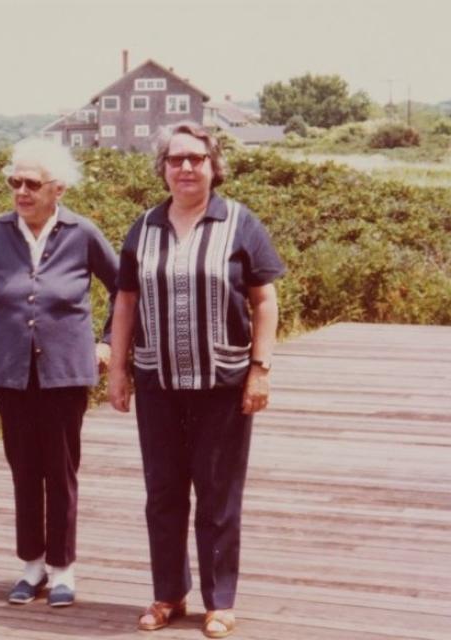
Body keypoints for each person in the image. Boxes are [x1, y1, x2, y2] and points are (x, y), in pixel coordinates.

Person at [107, 121, 284, 638]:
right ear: (163, 168)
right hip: (157, 383)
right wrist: (118, 370)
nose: (186, 167)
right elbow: (125, 301)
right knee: (162, 492)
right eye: (176, 159)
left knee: (217, 494)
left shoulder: (240, 223)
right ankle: (168, 594)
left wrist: (260, 369)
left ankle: (219, 599)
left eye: (196, 159)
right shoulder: (143, 228)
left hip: (222, 385)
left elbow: (264, 299)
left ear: (213, 167)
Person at [0, 137, 118, 608]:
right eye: (15, 182)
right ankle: (31, 567)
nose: (21, 191)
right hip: (10, 374)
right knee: (23, 470)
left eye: (32, 183)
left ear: (58, 189)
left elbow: (123, 288)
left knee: (61, 470)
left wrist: (109, 341)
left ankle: (64, 570)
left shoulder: (82, 232)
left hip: (64, 374)